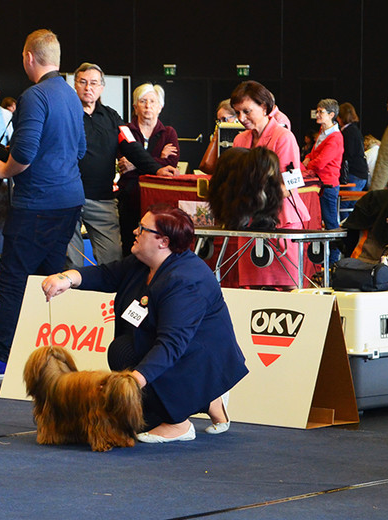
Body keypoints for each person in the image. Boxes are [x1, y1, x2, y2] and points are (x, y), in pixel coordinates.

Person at [40, 205, 248, 442]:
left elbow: (172, 345)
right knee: (123, 351)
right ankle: (210, 400)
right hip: (173, 351)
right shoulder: (145, 263)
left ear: (163, 241)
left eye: (142, 229)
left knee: (125, 362)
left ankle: (179, 424)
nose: (135, 231)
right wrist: (66, 278)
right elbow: (108, 275)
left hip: (199, 359)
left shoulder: (185, 282)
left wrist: (128, 384)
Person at [0, 29, 87, 380]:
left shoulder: (34, 96)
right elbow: (81, 149)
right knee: (49, 278)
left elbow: (23, 153)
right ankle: (44, 356)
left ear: (29, 57)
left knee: (13, 279)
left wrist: (3, 168)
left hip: (37, 201)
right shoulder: (71, 96)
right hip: (70, 200)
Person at [71, 62, 177, 267]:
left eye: (93, 83)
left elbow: (131, 146)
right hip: (69, 198)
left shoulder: (112, 117)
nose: (88, 88)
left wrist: (156, 169)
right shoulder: (65, 114)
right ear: (75, 85)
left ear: (102, 87)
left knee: (112, 259)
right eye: (82, 82)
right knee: (70, 263)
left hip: (103, 199)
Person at [208, 147, 308, 290]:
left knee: (287, 279)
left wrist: (278, 190)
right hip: (248, 225)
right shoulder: (242, 140)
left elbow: (293, 181)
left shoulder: (284, 138)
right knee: (253, 280)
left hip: (284, 222)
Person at [116, 83, 180, 256]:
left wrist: (137, 163)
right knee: (129, 245)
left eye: (153, 101)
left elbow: (171, 165)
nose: (148, 106)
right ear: (135, 106)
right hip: (130, 198)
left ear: (160, 107)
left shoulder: (169, 133)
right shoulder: (125, 130)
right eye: (143, 101)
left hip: (158, 199)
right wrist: (159, 158)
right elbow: (123, 163)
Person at [303, 98, 344, 262]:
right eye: (317, 111)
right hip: (319, 183)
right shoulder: (323, 132)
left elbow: (320, 162)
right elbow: (314, 155)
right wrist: (308, 159)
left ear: (331, 115)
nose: (317, 115)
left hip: (327, 185)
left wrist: (307, 163)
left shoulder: (335, 137)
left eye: (321, 112)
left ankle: (334, 261)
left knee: (330, 223)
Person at [337, 102, 368, 193]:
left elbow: (348, 154)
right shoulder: (355, 130)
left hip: (353, 173)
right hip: (361, 173)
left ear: (340, 117)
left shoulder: (347, 132)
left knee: (344, 204)